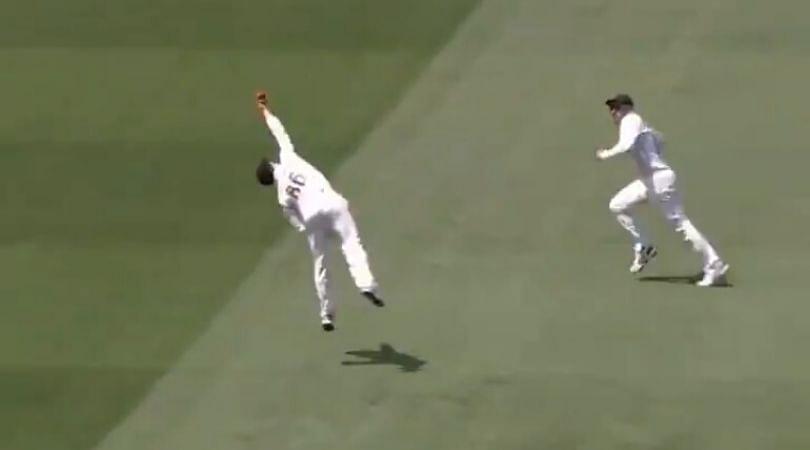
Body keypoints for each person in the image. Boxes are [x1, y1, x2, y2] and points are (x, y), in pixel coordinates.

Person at [254, 91, 384, 331]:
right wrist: (264, 109)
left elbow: (293, 219)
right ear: (272, 165)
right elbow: (279, 131)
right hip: (333, 204)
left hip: (313, 218)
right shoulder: (289, 158)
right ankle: (366, 286)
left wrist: (308, 227)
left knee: (321, 264)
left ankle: (326, 314)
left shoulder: (282, 195)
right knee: (351, 245)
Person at [596, 94, 729, 287]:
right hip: (651, 181)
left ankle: (714, 264)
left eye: (616, 108)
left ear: (626, 108)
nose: (613, 113)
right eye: (611, 109)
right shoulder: (641, 125)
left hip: (659, 180)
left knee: (681, 225)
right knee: (617, 205)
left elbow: (626, 145)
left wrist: (605, 154)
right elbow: (660, 140)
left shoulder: (630, 119)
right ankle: (644, 246)